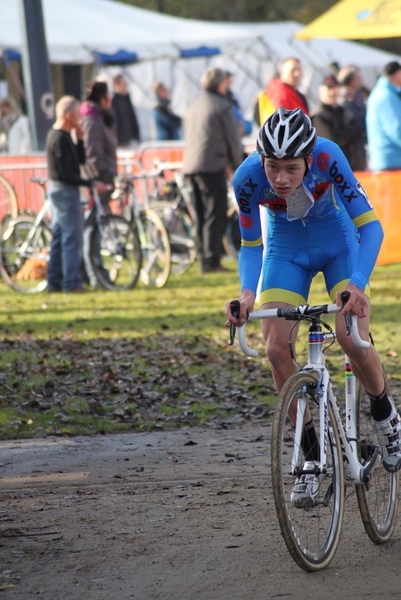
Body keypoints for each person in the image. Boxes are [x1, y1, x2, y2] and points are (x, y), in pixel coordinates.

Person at [225, 107, 401, 502]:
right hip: (286, 253)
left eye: (291, 168)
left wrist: (356, 285)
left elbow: (370, 227)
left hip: (338, 245)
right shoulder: (247, 179)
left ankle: (386, 412)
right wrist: (247, 293)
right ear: (260, 160)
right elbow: (251, 246)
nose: (281, 179)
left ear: (308, 159)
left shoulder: (328, 155)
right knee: (274, 348)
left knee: (351, 335)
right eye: (272, 167)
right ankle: (310, 451)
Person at [183, 67, 243, 273]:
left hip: (193, 165)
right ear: (220, 84)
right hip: (213, 165)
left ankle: (203, 257)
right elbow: (233, 140)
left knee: (200, 214)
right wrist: (237, 166)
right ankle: (211, 261)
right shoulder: (222, 106)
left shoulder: (193, 105)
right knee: (213, 214)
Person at [46, 96, 104, 292]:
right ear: (68, 115)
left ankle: (54, 281)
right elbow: (68, 174)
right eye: (78, 115)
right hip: (64, 192)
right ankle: (72, 282)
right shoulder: (59, 138)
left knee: (60, 237)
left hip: (60, 190)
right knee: (72, 238)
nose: (80, 119)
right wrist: (90, 183)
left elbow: (78, 162)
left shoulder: (62, 136)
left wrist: (79, 140)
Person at [80, 80, 117, 289]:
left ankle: (95, 275)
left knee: (93, 231)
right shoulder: (92, 121)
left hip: (99, 181)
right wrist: (107, 174)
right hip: (94, 183)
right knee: (91, 232)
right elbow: (93, 156)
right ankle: (95, 276)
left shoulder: (97, 119)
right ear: (103, 98)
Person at [310, 74, 364, 171]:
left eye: (335, 88)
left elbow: (359, 133)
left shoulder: (343, 111)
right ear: (320, 92)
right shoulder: (318, 116)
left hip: (350, 164)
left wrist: (345, 137)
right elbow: (331, 142)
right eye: (329, 88)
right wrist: (346, 136)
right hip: (331, 169)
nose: (333, 92)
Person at [253, 57, 309, 127]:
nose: (297, 74)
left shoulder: (296, 94)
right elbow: (283, 123)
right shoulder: (278, 92)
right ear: (282, 72)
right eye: (293, 70)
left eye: (299, 70)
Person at [366, 61, 401, 171]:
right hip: (390, 162)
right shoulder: (386, 96)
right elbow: (396, 129)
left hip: (387, 160)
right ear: (396, 74)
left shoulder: (383, 92)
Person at [337, 65, 368, 170]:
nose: (361, 81)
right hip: (351, 147)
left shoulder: (358, 96)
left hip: (360, 146)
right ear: (351, 81)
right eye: (358, 78)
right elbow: (353, 120)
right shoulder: (343, 99)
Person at [111, 74, 140, 148]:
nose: (126, 86)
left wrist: (136, 136)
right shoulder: (112, 101)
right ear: (116, 85)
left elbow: (133, 119)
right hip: (117, 143)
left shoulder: (127, 100)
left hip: (128, 140)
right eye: (124, 84)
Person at [225, 72, 252, 139]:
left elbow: (241, 119)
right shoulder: (221, 102)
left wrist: (244, 128)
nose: (231, 82)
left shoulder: (232, 97)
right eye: (228, 79)